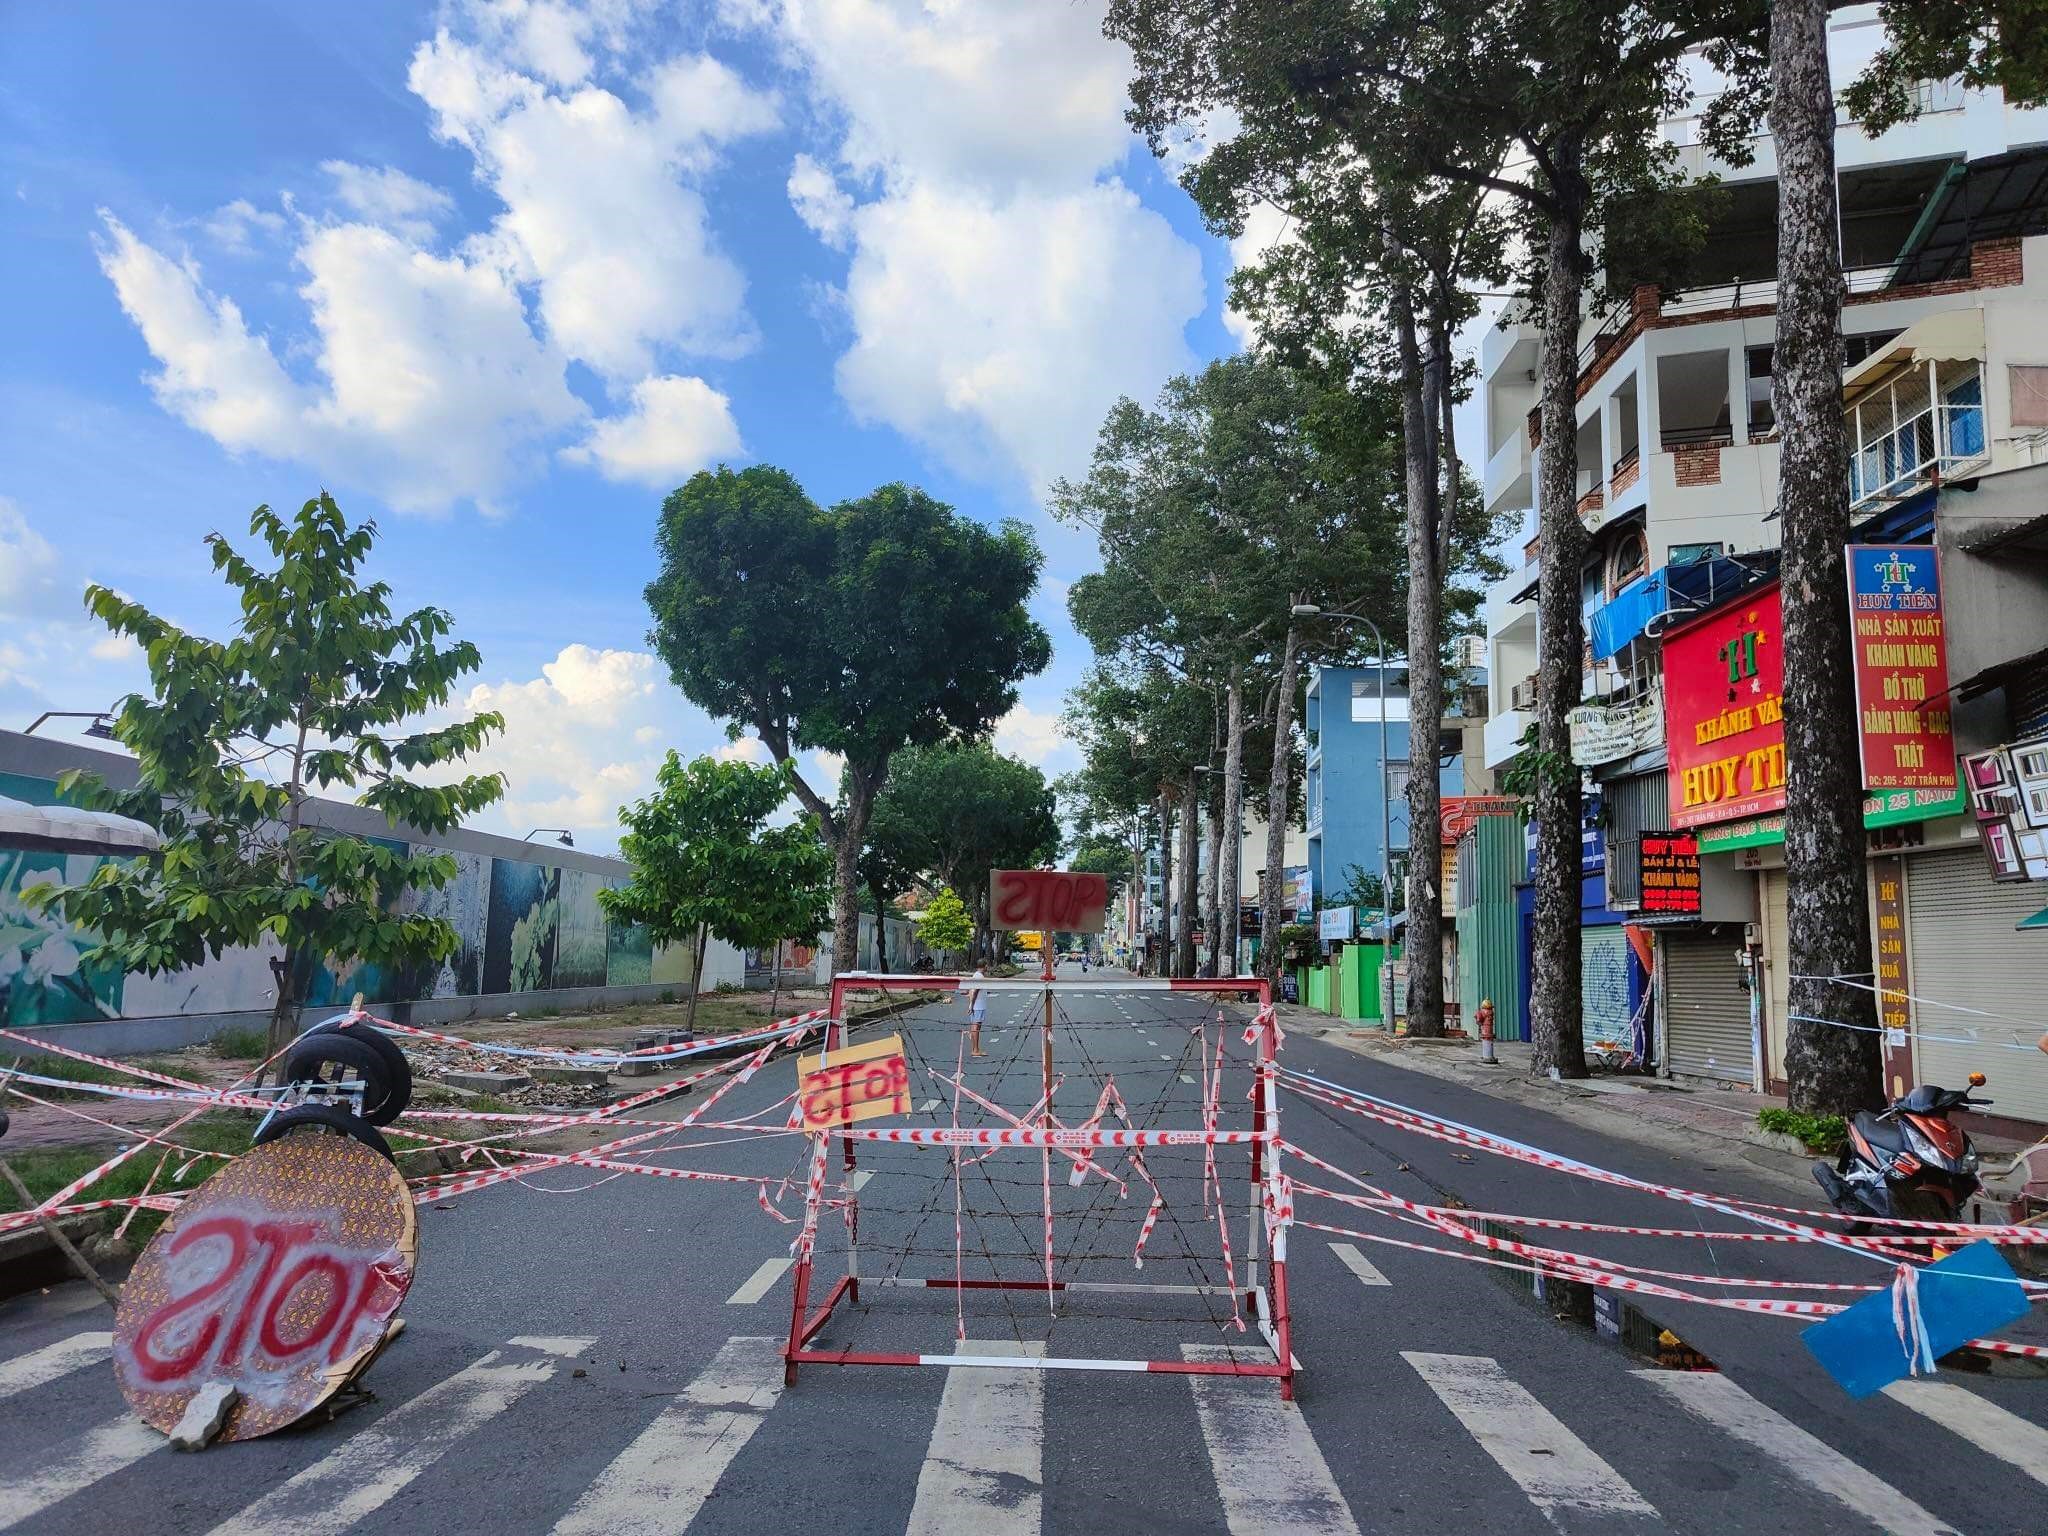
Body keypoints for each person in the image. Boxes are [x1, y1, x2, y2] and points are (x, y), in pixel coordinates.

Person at [965, 966, 988, 1057]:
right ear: (984, 966)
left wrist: (971, 1004)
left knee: (975, 1027)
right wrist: (971, 1005)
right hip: (978, 1006)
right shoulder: (979, 977)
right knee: (976, 1027)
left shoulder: (975, 975)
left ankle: (975, 1049)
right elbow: (974, 992)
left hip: (976, 1005)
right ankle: (975, 1049)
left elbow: (970, 991)